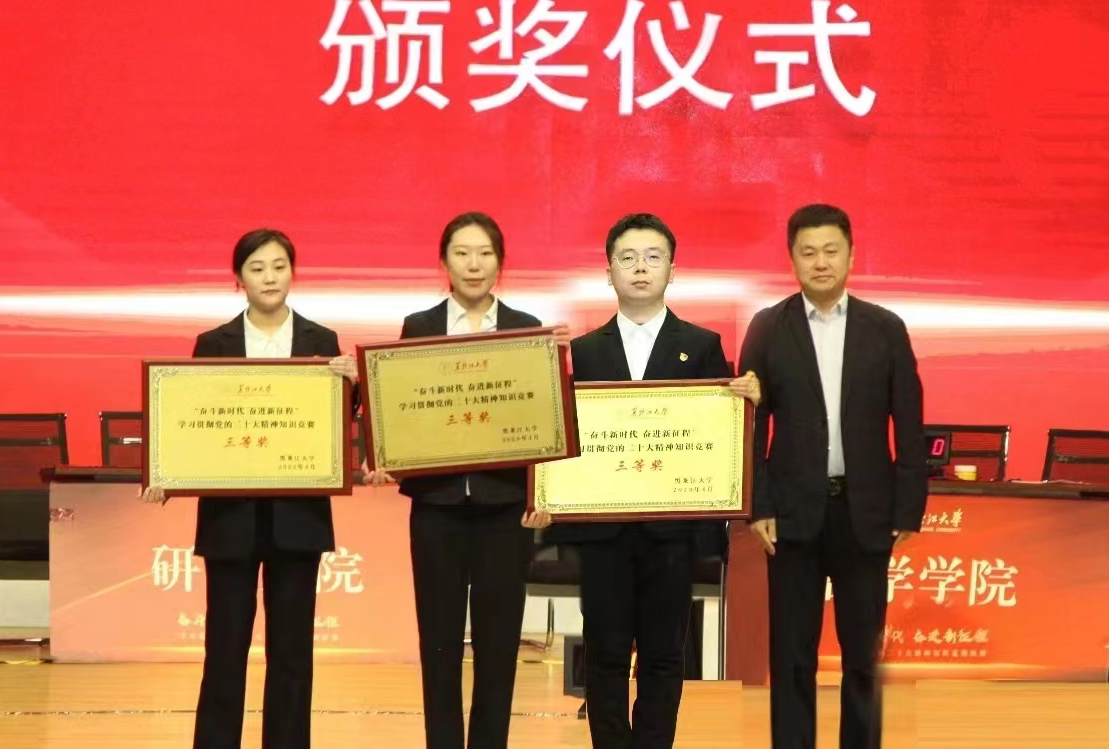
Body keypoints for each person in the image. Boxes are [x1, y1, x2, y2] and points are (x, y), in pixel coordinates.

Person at [548, 213, 761, 749]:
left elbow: (717, 434)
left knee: (664, 656)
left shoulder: (704, 346)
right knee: (605, 653)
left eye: (652, 257)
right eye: (627, 258)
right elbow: (566, 438)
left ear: (672, 270)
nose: (640, 268)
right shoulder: (583, 352)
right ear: (609, 272)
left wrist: (743, 403)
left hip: (673, 532)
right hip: (603, 532)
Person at [142, 228, 359, 749]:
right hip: (230, 520)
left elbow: (334, 424)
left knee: (292, 655)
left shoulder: (322, 342)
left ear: (293, 273)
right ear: (238, 278)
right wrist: (166, 470)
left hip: (298, 520)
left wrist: (352, 386)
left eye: (279, 266)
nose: (269, 277)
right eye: (257, 268)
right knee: (224, 651)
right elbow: (192, 421)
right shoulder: (212, 343)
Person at [365, 211, 557, 749]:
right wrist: (385, 453)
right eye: (462, 253)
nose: (474, 264)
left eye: (485, 253)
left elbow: (544, 419)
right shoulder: (419, 327)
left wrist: (543, 491)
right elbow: (400, 410)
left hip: (505, 510)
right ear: (444, 262)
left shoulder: (527, 329)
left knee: (499, 646)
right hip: (437, 509)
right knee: (440, 644)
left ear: (501, 262)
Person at [739, 204, 926, 749]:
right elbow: (750, 423)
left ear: (851, 255)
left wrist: (907, 508)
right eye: (808, 252)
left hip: (864, 515)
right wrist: (757, 504)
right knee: (792, 656)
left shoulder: (885, 329)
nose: (820, 262)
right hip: (791, 516)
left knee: (863, 657)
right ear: (792, 259)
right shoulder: (768, 327)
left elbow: (909, 423)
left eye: (831, 251)